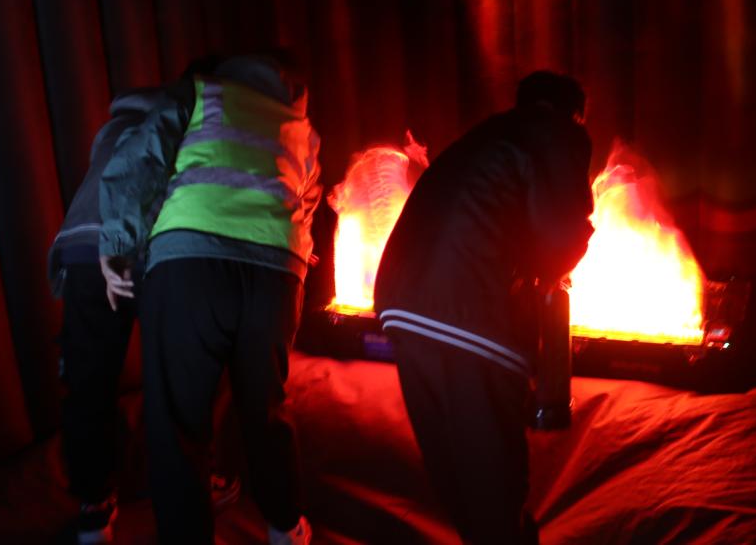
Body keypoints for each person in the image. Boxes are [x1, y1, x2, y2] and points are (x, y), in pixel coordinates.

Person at [98, 54, 322, 544]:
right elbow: (308, 201)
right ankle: (286, 527)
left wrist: (117, 247)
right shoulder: (300, 124)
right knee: (266, 407)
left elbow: (142, 160)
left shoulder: (198, 92)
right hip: (276, 276)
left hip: (189, 263)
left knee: (177, 421)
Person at [374, 70, 595, 544]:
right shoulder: (560, 135)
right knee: (492, 469)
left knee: (451, 463)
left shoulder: (486, 136)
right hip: (471, 309)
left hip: (401, 299)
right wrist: (555, 265)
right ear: (573, 115)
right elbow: (560, 234)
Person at [47, 69, 240, 545]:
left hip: (81, 249)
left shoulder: (109, 129)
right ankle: (195, 483)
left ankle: (94, 508)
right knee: (179, 379)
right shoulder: (185, 120)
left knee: (88, 382)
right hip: (145, 249)